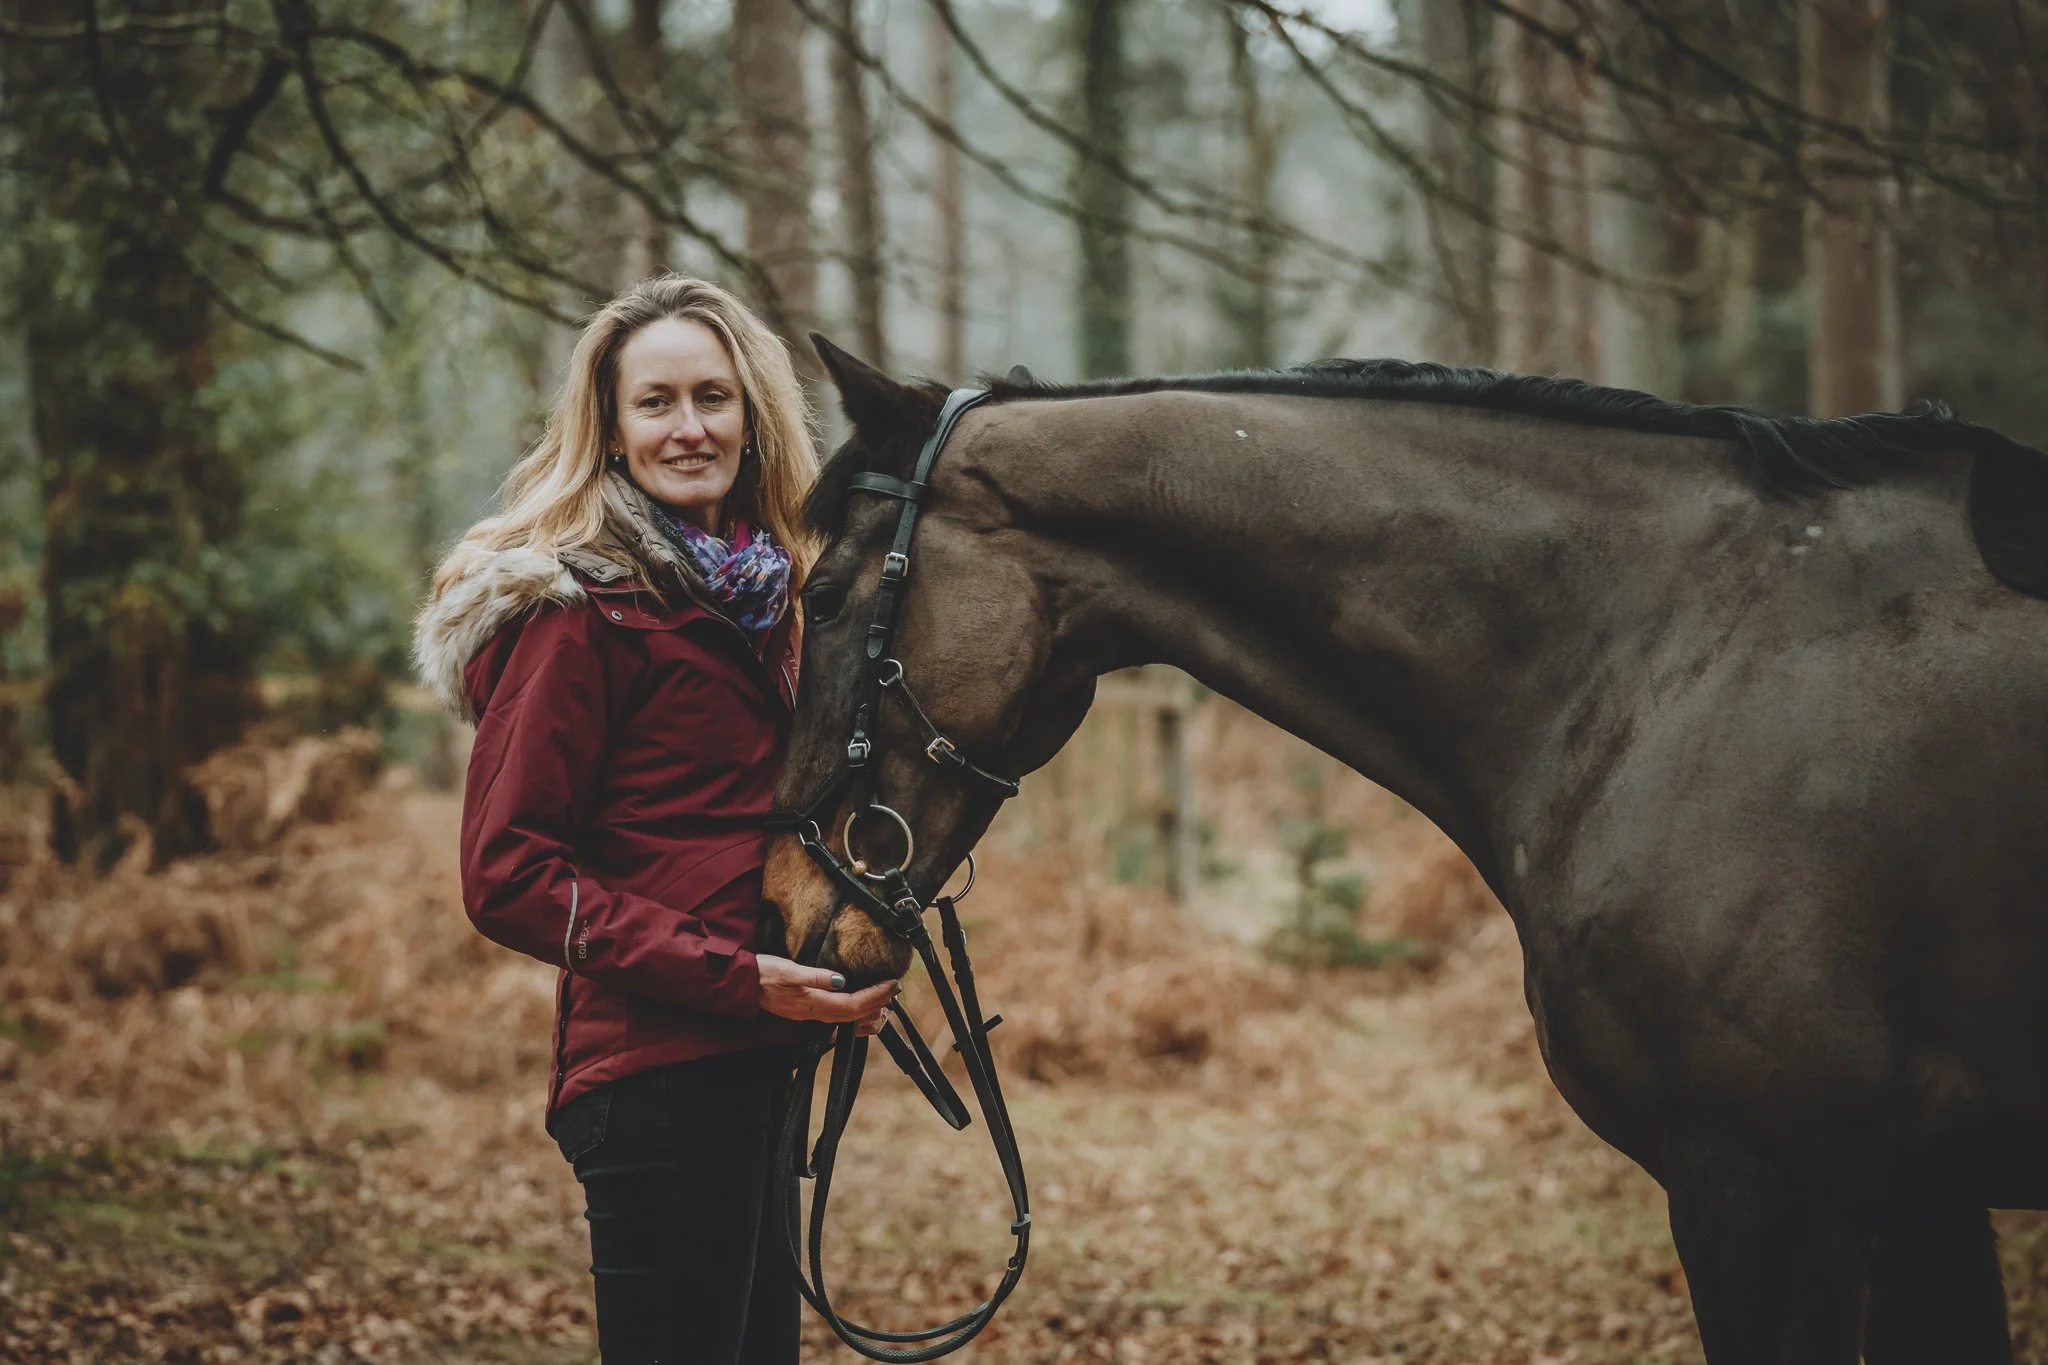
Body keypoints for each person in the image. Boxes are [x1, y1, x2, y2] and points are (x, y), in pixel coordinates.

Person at [413, 275, 895, 1364]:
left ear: (752, 416)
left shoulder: (774, 602)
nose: (690, 428)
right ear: (613, 431)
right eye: (657, 403)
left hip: (756, 1069)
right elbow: (506, 873)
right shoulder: (578, 613)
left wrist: (827, 970)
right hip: (652, 1081)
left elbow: (742, 839)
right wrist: (737, 977)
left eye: (713, 399)